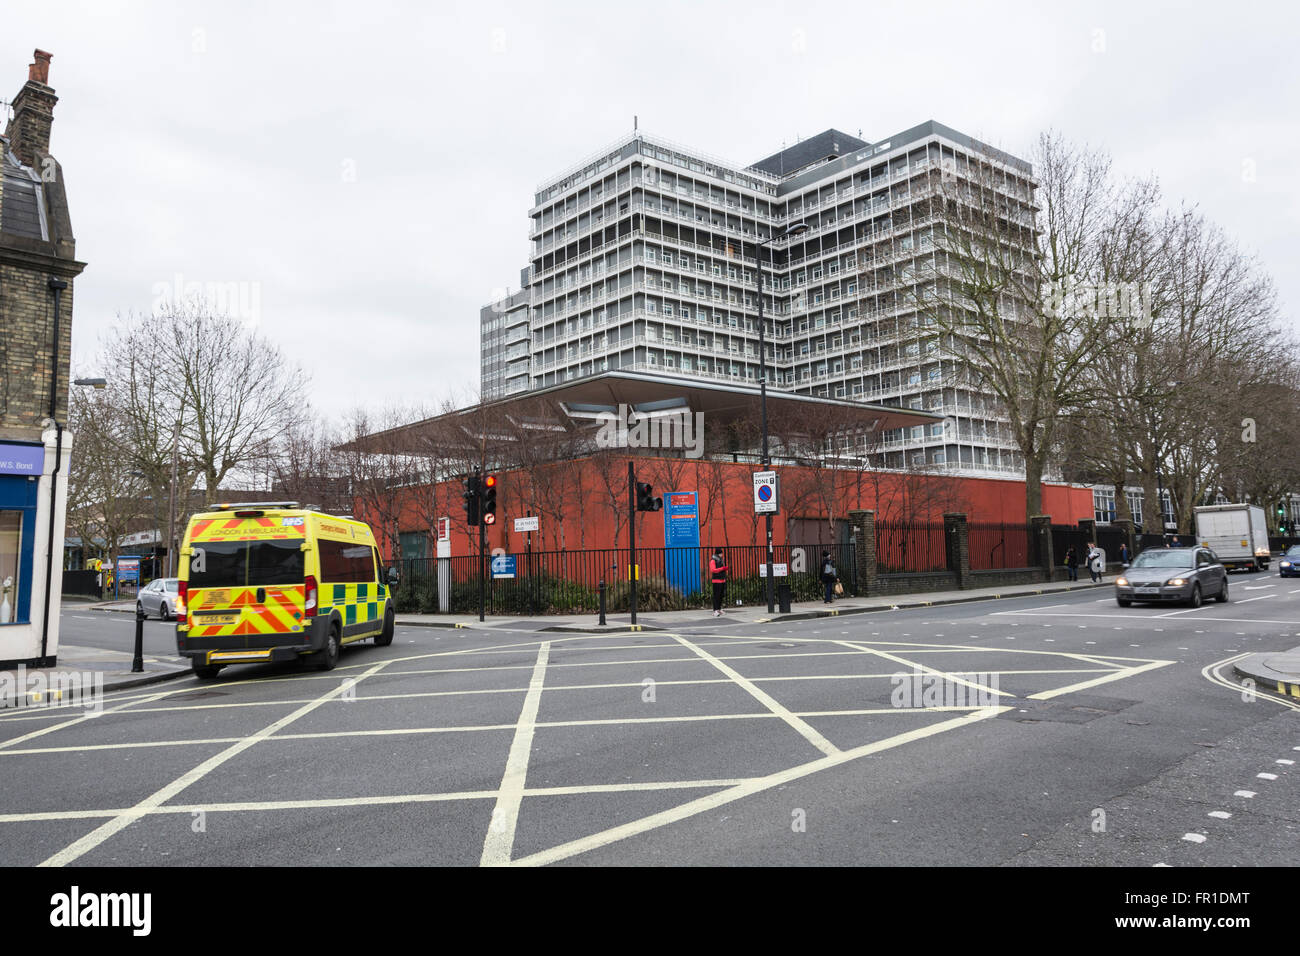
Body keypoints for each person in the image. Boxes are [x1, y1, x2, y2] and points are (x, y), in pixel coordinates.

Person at [709, 548, 728, 617]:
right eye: (721, 553)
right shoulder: (713, 561)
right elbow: (713, 570)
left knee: (721, 596)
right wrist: (722, 569)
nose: (722, 555)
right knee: (716, 596)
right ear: (718, 553)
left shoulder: (720, 560)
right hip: (716, 581)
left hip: (722, 580)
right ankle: (715, 610)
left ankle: (719, 609)